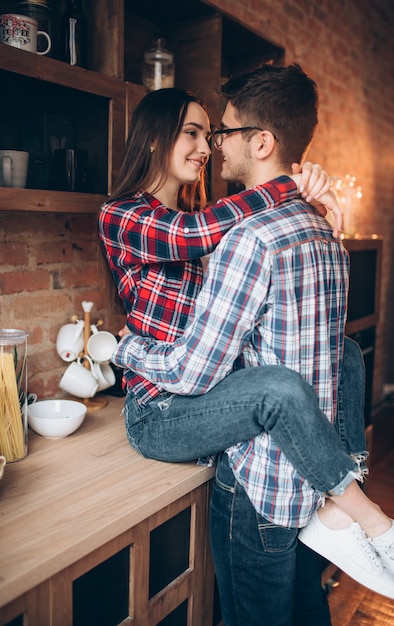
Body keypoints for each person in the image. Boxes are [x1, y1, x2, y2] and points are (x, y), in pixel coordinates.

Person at [107, 68, 394, 623]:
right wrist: (293, 185)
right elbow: (190, 241)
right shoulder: (129, 215)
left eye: (217, 132)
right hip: (165, 404)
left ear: (259, 141)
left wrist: (296, 193)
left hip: (227, 427)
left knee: (337, 363)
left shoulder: (227, 227)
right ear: (153, 139)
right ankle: (349, 498)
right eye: (193, 133)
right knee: (283, 387)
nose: (210, 146)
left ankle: (346, 495)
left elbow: (209, 347)